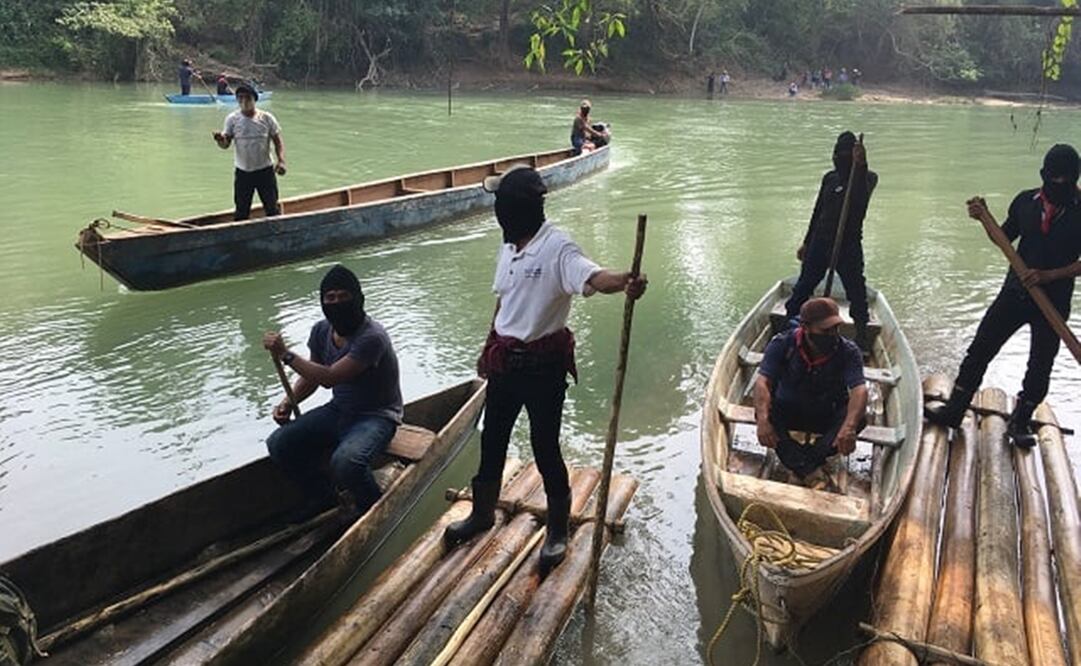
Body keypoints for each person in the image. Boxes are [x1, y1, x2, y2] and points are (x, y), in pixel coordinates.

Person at [443, 165, 647, 572]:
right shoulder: (508, 247)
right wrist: (487, 347)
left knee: (545, 447)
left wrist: (625, 280)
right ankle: (482, 514)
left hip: (542, 369)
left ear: (516, 209)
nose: (497, 212)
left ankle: (556, 531)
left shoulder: (558, 248)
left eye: (501, 204)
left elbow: (593, 276)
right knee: (492, 442)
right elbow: (504, 303)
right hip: (504, 364)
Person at [926, 144, 1081, 448]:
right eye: (1053, 181)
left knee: (1040, 363)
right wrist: (984, 219)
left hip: (1053, 301)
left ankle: (1021, 419)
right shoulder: (1025, 202)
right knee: (980, 348)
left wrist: (1050, 275)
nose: (1058, 188)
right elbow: (1005, 237)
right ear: (1043, 176)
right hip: (1014, 293)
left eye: (1066, 182)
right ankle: (955, 409)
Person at [263, 265, 403, 520]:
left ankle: (372, 509)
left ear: (358, 299)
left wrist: (286, 354)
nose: (336, 303)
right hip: (339, 409)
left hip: (376, 416)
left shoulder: (372, 337)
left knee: (346, 463)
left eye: (343, 296)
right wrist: (288, 401)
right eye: (330, 298)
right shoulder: (321, 330)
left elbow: (329, 378)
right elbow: (312, 375)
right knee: (279, 443)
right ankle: (322, 495)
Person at [755, 298, 868, 488]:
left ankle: (803, 464)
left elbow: (860, 390)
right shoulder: (782, 344)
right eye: (825, 330)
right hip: (789, 410)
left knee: (859, 418)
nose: (832, 334)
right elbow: (762, 382)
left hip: (826, 414)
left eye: (835, 328)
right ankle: (810, 468)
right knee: (763, 412)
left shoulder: (848, 351)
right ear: (805, 327)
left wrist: (848, 427)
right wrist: (763, 421)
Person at [785, 131, 878, 350]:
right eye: (836, 153)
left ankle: (862, 335)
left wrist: (861, 164)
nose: (838, 158)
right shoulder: (830, 178)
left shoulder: (867, 177)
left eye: (844, 154)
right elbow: (818, 211)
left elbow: (859, 197)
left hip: (848, 244)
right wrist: (807, 242)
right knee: (803, 286)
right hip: (820, 242)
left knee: (856, 290)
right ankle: (788, 329)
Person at [212, 84, 286, 221]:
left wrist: (281, 161)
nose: (244, 101)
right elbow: (225, 144)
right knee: (241, 212)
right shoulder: (232, 119)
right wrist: (220, 140)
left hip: (265, 171)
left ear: (254, 99)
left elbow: (278, 141)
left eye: (247, 98)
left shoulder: (266, 118)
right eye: (240, 98)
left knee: (272, 209)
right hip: (243, 173)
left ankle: (276, 236)